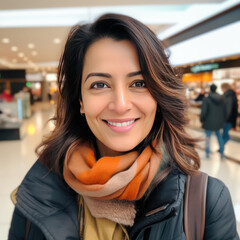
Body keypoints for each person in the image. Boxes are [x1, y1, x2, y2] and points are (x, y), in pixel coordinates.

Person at [8, 13, 239, 240]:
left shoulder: (206, 201)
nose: (120, 105)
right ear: (80, 101)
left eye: (138, 83)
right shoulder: (37, 195)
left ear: (159, 95)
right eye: (100, 84)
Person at [200, 84, 226, 159]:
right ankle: (222, 152)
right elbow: (225, 111)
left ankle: (207, 152)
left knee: (208, 137)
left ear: (210, 89)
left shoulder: (206, 99)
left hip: (208, 121)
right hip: (219, 121)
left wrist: (202, 120)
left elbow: (204, 111)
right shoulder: (222, 98)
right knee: (219, 136)